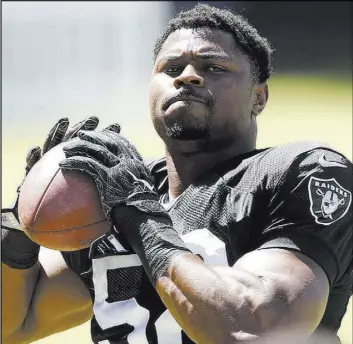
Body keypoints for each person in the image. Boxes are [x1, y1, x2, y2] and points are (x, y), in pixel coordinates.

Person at [2, 4, 352, 344]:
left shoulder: (302, 172)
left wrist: (140, 217)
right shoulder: (116, 189)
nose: (187, 76)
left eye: (214, 66)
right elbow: (14, 324)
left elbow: (256, 329)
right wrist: (20, 227)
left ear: (258, 97)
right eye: (170, 69)